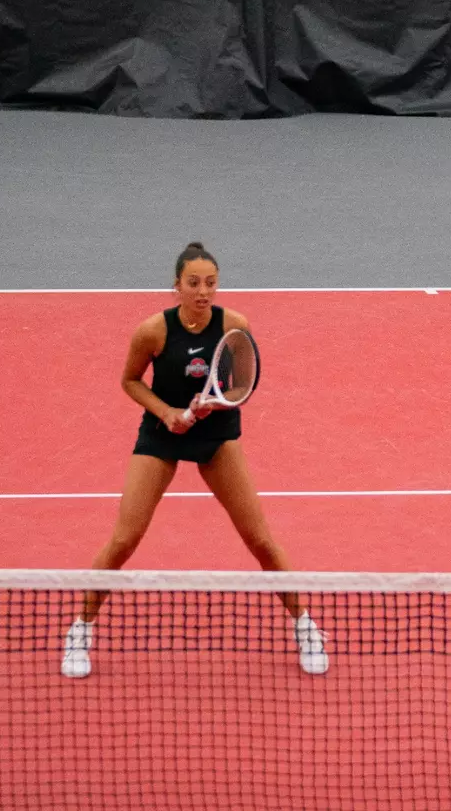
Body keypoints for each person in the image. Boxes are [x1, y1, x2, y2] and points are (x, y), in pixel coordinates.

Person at [60, 242, 328, 678]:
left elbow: (241, 386)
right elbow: (129, 380)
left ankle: (305, 624)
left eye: (210, 283)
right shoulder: (153, 331)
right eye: (193, 283)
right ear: (176, 286)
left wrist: (212, 408)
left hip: (217, 438)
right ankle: (81, 627)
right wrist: (167, 413)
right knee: (124, 540)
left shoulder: (234, 326)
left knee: (260, 540)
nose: (203, 291)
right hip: (163, 436)